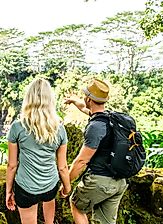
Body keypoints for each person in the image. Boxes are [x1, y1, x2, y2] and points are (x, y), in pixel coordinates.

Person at [61, 79, 128, 224]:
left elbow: (81, 162)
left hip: (100, 180)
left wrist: (66, 184)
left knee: (77, 205)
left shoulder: (95, 127)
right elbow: (86, 109)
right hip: (119, 181)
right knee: (106, 221)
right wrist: (74, 101)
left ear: (89, 99)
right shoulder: (110, 118)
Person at [6, 78, 71, 224]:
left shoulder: (17, 127)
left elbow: (12, 165)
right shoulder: (59, 129)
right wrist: (67, 187)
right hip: (50, 185)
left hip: (25, 187)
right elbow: (62, 167)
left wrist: (9, 192)